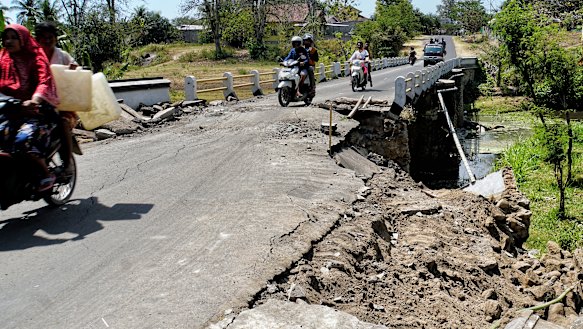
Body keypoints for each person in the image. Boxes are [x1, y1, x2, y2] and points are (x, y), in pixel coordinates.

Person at [0, 24, 60, 192]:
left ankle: (45, 173)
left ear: (23, 40)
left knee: (22, 141)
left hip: (36, 112)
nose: (8, 41)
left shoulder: (36, 57)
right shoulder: (3, 59)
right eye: (6, 38)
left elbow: (44, 81)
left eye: (13, 37)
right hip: (10, 111)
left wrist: (34, 100)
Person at [35, 21, 77, 176]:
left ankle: (67, 165)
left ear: (55, 38)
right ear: (37, 39)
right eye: (43, 37)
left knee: (62, 123)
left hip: (62, 105)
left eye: (50, 37)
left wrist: (74, 68)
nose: (47, 40)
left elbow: (76, 69)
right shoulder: (33, 56)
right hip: (38, 104)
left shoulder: (62, 55)